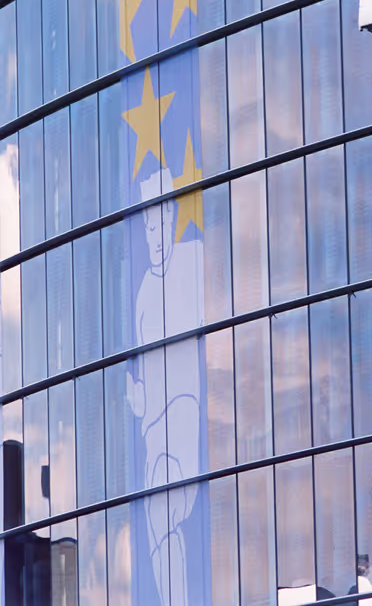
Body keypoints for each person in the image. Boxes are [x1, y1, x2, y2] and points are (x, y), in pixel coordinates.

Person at [126, 168, 205, 606]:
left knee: (163, 510)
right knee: (156, 521)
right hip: (154, 429)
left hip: (182, 414)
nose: (156, 237)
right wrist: (137, 399)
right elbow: (144, 383)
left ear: (173, 218)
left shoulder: (194, 262)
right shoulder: (142, 295)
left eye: (162, 224)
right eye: (149, 228)